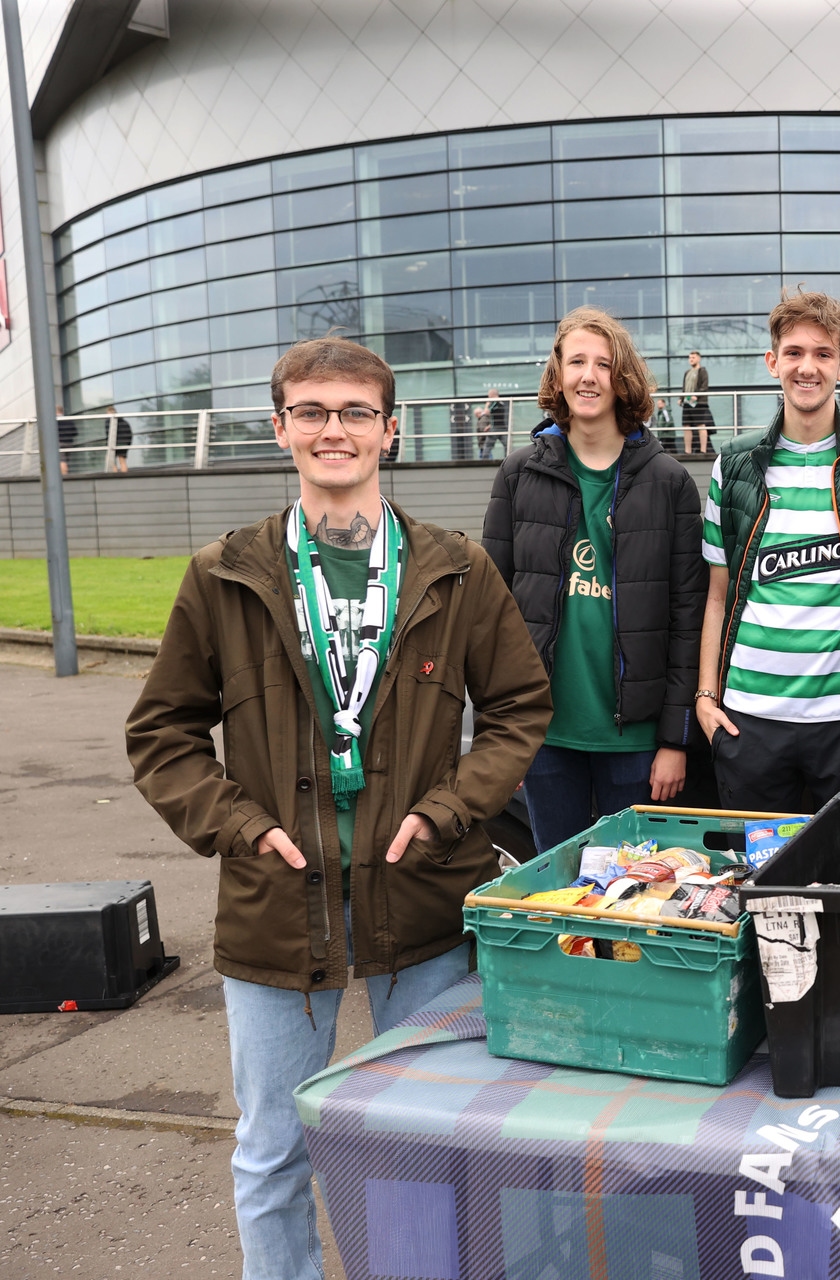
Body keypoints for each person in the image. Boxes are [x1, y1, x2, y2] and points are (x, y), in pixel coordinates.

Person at [125, 337, 550, 1280]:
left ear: (389, 431)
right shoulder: (224, 574)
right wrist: (240, 826)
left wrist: (449, 809)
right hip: (279, 904)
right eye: (312, 411)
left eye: (356, 412)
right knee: (273, 1147)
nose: (334, 430)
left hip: (426, 897)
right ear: (281, 428)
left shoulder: (455, 568)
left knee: (428, 1140)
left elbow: (522, 709)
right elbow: (163, 735)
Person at [697, 289, 840, 811]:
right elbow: (716, 596)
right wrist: (706, 699)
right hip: (747, 723)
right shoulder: (731, 467)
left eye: (823, 354)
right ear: (772, 361)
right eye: (795, 352)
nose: (808, 367)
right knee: (755, 887)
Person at [484, 307, 705, 854]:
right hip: (544, 737)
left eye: (603, 364)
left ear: (622, 376)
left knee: (633, 898)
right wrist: (501, 740)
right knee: (555, 894)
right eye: (576, 361)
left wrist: (674, 741)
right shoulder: (517, 475)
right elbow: (489, 616)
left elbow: (688, 618)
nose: (589, 376)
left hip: (634, 742)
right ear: (557, 374)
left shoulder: (669, 481)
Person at [682, 349, 713, 454]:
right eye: (690, 357)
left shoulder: (702, 371)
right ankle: (687, 451)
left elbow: (704, 386)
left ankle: (703, 450)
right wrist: (681, 399)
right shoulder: (687, 372)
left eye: (693, 357)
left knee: (701, 425)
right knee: (686, 426)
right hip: (687, 402)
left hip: (699, 403)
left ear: (699, 359)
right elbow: (684, 388)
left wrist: (697, 396)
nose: (691, 359)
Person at [478, 388, 509, 459]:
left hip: (496, 429)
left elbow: (486, 412)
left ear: (491, 394)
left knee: (487, 446)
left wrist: (487, 404)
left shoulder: (495, 402)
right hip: (502, 428)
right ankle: (507, 460)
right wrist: (490, 425)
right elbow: (497, 417)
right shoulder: (501, 403)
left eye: (488, 395)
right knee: (507, 445)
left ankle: (484, 462)